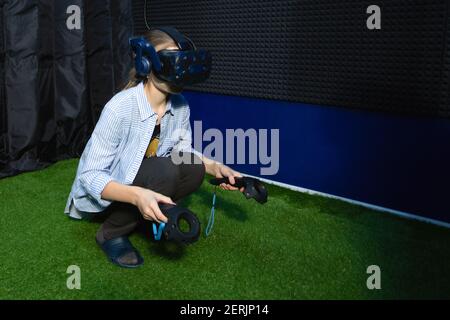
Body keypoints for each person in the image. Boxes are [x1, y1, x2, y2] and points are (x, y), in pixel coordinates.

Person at [64, 29, 243, 268]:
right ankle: (112, 232)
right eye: (171, 61)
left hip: (148, 184)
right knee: (164, 171)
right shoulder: (119, 108)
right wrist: (138, 196)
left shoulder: (180, 105)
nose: (180, 71)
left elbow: (181, 153)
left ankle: (149, 215)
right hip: (109, 195)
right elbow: (89, 176)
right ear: (146, 62)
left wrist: (214, 167)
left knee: (194, 168)